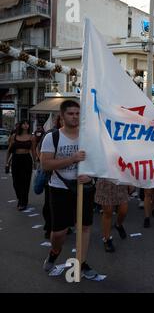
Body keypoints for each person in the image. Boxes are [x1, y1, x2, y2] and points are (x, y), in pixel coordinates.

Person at [40, 100, 99, 279]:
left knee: (85, 227)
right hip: (59, 188)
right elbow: (45, 164)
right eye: (70, 113)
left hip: (84, 188)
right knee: (59, 232)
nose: (74, 117)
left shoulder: (88, 137)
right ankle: (54, 253)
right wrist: (72, 159)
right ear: (62, 116)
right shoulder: (52, 137)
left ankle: (82, 262)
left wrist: (91, 176)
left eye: (77, 113)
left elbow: (97, 161)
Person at [5, 120, 36, 211]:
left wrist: (35, 162)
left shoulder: (32, 137)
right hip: (16, 159)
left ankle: (23, 202)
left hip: (26, 159)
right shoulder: (14, 136)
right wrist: (7, 162)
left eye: (27, 124)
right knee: (16, 182)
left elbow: (33, 150)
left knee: (25, 181)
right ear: (21, 125)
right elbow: (9, 150)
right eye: (24, 124)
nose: (26, 125)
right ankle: (20, 198)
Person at [95, 179, 129, 252]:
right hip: (105, 182)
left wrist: (131, 182)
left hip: (121, 181)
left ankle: (118, 225)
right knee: (108, 212)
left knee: (124, 211)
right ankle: (107, 239)